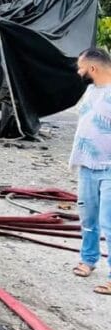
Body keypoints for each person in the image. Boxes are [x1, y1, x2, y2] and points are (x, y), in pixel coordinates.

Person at [71, 47, 111, 295]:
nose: (79, 71)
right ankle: (88, 260)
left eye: (81, 67)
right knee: (88, 218)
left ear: (93, 69)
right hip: (86, 165)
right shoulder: (90, 91)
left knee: (109, 222)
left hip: (109, 168)